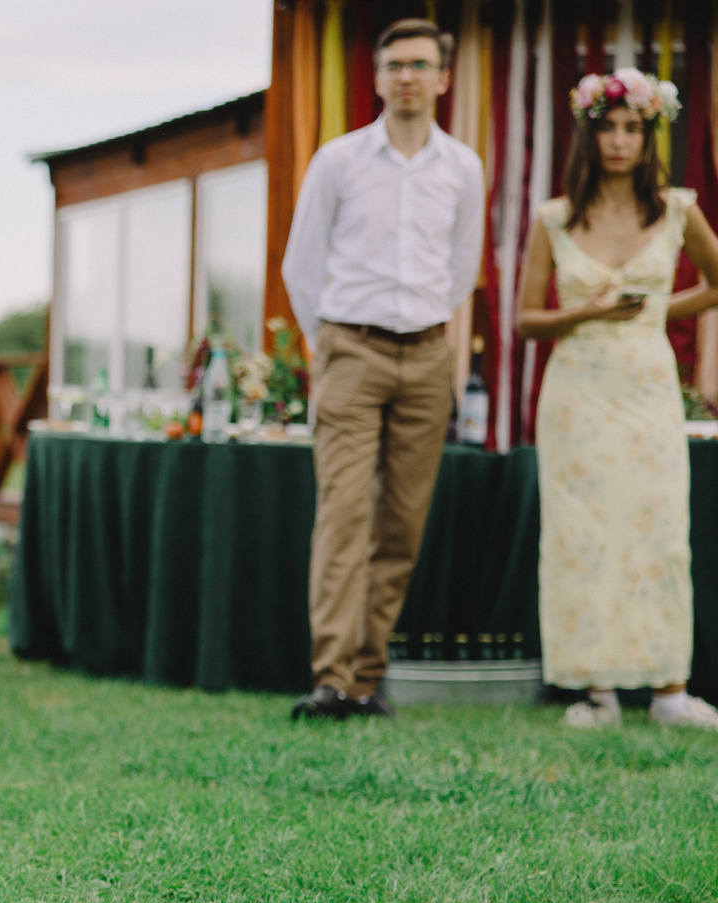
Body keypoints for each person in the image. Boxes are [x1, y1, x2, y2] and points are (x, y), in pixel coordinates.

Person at [281, 18, 485, 720]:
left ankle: (367, 680)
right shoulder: (337, 161)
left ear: (443, 78)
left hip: (427, 356)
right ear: (376, 77)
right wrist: (331, 345)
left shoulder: (463, 168)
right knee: (343, 514)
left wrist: (426, 332)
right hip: (351, 349)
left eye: (420, 65)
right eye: (395, 65)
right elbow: (301, 266)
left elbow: (461, 268)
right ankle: (331, 679)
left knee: (401, 525)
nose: (407, 77)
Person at [516, 71, 718, 730]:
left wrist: (657, 311)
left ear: (649, 135)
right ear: (588, 135)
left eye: (633, 128)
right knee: (582, 534)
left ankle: (670, 691)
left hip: (647, 388)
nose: (620, 141)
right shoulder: (554, 218)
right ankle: (595, 690)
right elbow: (525, 320)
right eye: (607, 128)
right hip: (577, 392)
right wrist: (589, 312)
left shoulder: (677, 210)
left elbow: (715, 282)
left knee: (660, 530)